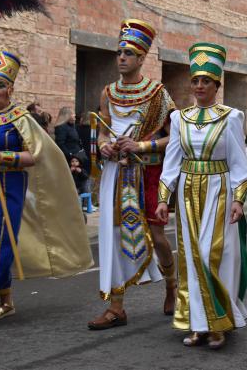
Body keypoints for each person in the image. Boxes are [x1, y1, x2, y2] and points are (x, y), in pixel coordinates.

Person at [0, 48, 93, 320]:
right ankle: (5, 300)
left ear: (10, 89)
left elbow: (35, 155)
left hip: (6, 188)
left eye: (0, 85)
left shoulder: (20, 118)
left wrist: (3, 156)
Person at [156, 42, 247, 349]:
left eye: (205, 81)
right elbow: (171, 161)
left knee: (213, 254)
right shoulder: (178, 119)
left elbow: (238, 162)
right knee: (191, 256)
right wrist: (162, 198)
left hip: (218, 189)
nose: (199, 86)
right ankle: (198, 323)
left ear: (216, 85)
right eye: (195, 80)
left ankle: (219, 320)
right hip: (186, 190)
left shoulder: (231, 117)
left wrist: (238, 198)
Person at [87, 19, 177, 330]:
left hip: (148, 172)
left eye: (128, 53)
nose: (121, 57)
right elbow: (100, 132)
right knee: (112, 236)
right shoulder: (108, 92)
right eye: (119, 52)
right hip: (116, 173)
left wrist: (139, 143)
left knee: (156, 236)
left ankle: (171, 284)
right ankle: (116, 307)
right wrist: (105, 146)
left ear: (141, 59)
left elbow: (175, 136)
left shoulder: (158, 94)